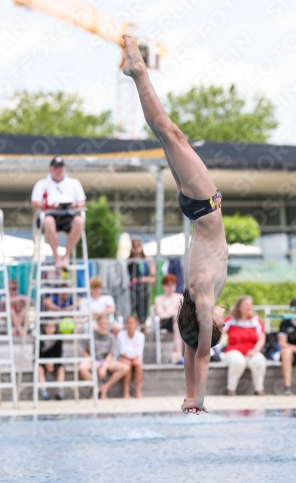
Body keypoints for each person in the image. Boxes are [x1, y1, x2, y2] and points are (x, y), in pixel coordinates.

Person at [122, 35, 227, 414]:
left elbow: (199, 354)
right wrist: (189, 397)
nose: (224, 319)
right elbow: (189, 349)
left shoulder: (203, 301)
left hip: (204, 203)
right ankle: (136, 73)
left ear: (208, 323)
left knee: (169, 131)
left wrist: (199, 398)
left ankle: (138, 72)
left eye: (220, 325)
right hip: (196, 208)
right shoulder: (193, 304)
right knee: (164, 132)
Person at [31, 156, 86, 270]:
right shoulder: (41, 183)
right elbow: (35, 203)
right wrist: (50, 205)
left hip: (69, 215)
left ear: (64, 168)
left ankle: (66, 258)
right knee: (48, 221)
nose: (58, 170)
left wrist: (73, 205)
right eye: (56, 167)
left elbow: (82, 202)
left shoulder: (74, 183)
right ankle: (56, 258)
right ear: (50, 169)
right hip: (49, 215)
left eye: (60, 167)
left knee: (79, 221)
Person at [223, 296, 266, 395]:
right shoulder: (230, 319)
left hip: (251, 351)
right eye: (246, 305)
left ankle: (259, 389)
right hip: (232, 351)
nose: (249, 307)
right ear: (239, 307)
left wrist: (255, 350)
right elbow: (219, 334)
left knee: (260, 361)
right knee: (238, 361)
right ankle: (231, 389)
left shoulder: (256, 320)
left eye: (250, 305)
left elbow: (261, 339)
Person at [79, 314, 129, 399]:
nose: (103, 326)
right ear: (98, 324)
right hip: (93, 360)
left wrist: (104, 367)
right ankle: (96, 387)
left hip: (106, 361)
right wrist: (92, 361)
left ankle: (105, 387)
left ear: (108, 325)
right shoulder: (91, 335)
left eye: (105, 324)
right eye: (101, 323)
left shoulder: (111, 337)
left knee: (125, 368)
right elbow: (84, 352)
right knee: (81, 367)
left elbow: (111, 354)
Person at [154, 274, 184, 364]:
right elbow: (161, 314)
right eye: (169, 285)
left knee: (177, 322)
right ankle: (179, 354)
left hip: (177, 322)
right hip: (165, 322)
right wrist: (174, 312)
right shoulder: (159, 299)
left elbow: (183, 312)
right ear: (164, 286)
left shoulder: (180, 297)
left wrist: (169, 311)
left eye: (173, 285)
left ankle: (178, 354)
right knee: (177, 319)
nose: (171, 287)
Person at [128, 237, 156, 325]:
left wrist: (144, 279)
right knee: (129, 314)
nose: (136, 247)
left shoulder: (147, 260)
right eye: (134, 245)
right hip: (130, 291)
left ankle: (143, 334)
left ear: (142, 246)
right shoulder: (128, 261)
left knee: (142, 316)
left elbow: (153, 278)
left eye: (138, 245)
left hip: (143, 290)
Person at [117, 315, 145, 398]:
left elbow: (139, 352)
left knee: (139, 364)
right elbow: (122, 352)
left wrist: (135, 358)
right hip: (124, 358)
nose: (130, 325)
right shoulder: (120, 335)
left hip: (135, 358)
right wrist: (131, 359)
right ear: (126, 324)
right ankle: (126, 392)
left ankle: (138, 391)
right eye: (129, 323)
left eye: (132, 323)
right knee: (127, 365)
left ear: (136, 324)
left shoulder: (140, 336)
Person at [39, 322, 65, 400]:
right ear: (44, 328)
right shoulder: (39, 339)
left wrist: (53, 363)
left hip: (55, 362)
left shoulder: (58, 340)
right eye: (48, 326)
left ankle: (60, 391)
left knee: (61, 368)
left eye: (52, 326)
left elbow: (59, 354)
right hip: (42, 362)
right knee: (39, 369)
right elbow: (38, 355)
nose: (50, 329)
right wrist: (46, 363)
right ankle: (43, 391)